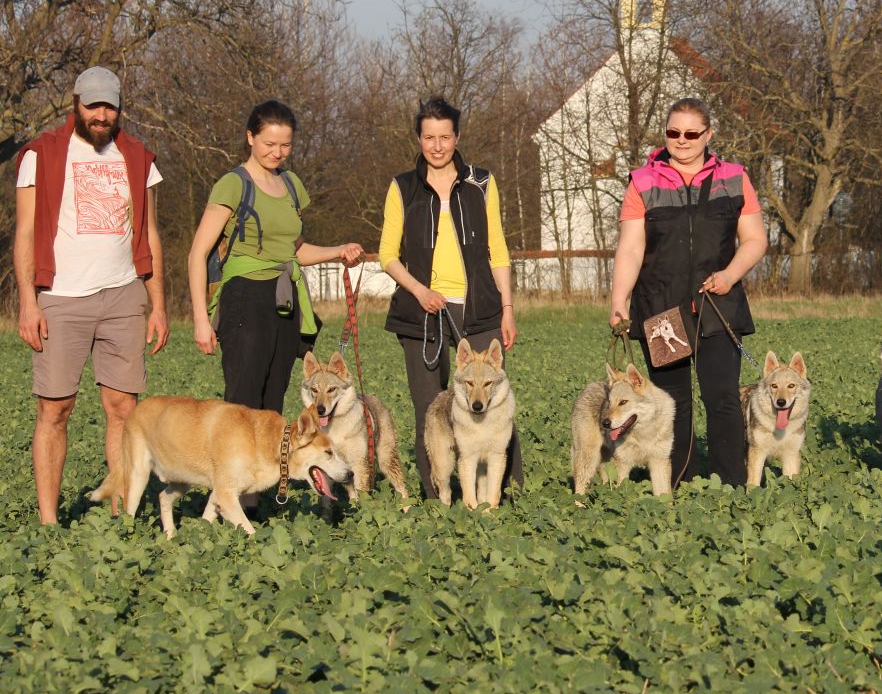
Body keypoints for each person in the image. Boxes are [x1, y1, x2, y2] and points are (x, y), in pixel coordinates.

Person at [14, 66, 170, 524]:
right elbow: (25, 233)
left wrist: (157, 303)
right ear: (76, 104)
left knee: (123, 408)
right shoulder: (40, 155)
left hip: (123, 295)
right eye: (93, 106)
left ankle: (122, 511)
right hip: (61, 295)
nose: (102, 116)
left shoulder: (139, 157)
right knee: (55, 408)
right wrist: (29, 300)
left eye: (110, 107)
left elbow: (151, 233)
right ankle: (48, 520)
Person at [609, 97, 767, 487]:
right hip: (662, 310)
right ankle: (677, 484)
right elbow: (631, 248)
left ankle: (730, 486)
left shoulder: (734, 177)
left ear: (708, 135)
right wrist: (618, 301)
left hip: (718, 303)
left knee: (722, 398)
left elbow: (755, 239)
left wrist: (730, 275)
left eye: (691, 133)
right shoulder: (642, 181)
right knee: (671, 404)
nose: (681, 140)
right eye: (673, 132)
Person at [380, 97, 523, 498]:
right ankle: (437, 494)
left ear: (457, 137)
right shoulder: (403, 187)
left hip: (479, 311)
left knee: (493, 403)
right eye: (429, 137)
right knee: (431, 411)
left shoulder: (482, 182)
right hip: (421, 311)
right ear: (419, 139)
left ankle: (506, 493)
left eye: (445, 137)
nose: (438, 146)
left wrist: (507, 308)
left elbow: (497, 248)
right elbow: (387, 255)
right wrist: (419, 290)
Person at [188, 100, 363, 413]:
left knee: (274, 404)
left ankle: (270, 464)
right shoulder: (233, 184)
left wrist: (337, 251)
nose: (278, 152)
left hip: (286, 300)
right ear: (250, 138)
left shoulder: (292, 184)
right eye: (269, 143)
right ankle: (235, 463)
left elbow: (294, 251)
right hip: (245, 297)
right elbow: (197, 254)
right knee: (243, 403)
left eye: (286, 145)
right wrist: (201, 319)